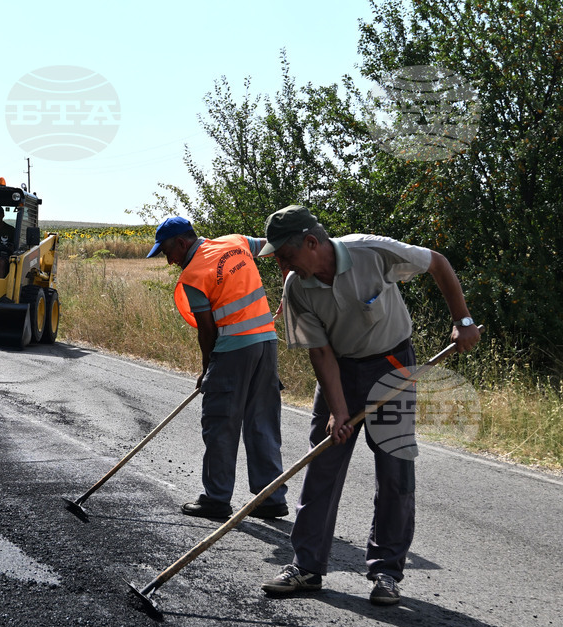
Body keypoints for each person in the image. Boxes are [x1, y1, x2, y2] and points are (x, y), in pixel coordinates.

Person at [258, 205, 480, 605]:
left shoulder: (371, 252)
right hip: (339, 373)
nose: (281, 267)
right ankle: (306, 567)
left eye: (285, 256)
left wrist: (462, 321)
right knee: (322, 465)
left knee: (394, 471)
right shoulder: (297, 287)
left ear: (311, 243)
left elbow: (438, 262)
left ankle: (386, 573)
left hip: (392, 368)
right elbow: (320, 352)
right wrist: (338, 411)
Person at [148, 216, 288, 521]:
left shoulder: (194, 274)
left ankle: (217, 499)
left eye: (168, 252)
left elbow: (207, 331)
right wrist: (290, 281)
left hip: (234, 351)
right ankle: (271, 498)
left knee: (220, 424)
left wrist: (207, 370)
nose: (170, 261)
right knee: (261, 422)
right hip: (267, 344)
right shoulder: (236, 241)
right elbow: (278, 245)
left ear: (183, 243)